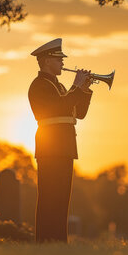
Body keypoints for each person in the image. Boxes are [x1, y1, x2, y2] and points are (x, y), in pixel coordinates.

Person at [28, 38, 93, 242]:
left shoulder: (60, 86)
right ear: (47, 61)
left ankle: (58, 242)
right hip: (50, 148)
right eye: (59, 60)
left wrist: (85, 90)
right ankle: (45, 242)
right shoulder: (39, 86)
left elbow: (78, 113)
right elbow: (59, 107)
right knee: (49, 199)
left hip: (64, 148)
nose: (63, 63)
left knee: (62, 200)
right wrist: (76, 86)